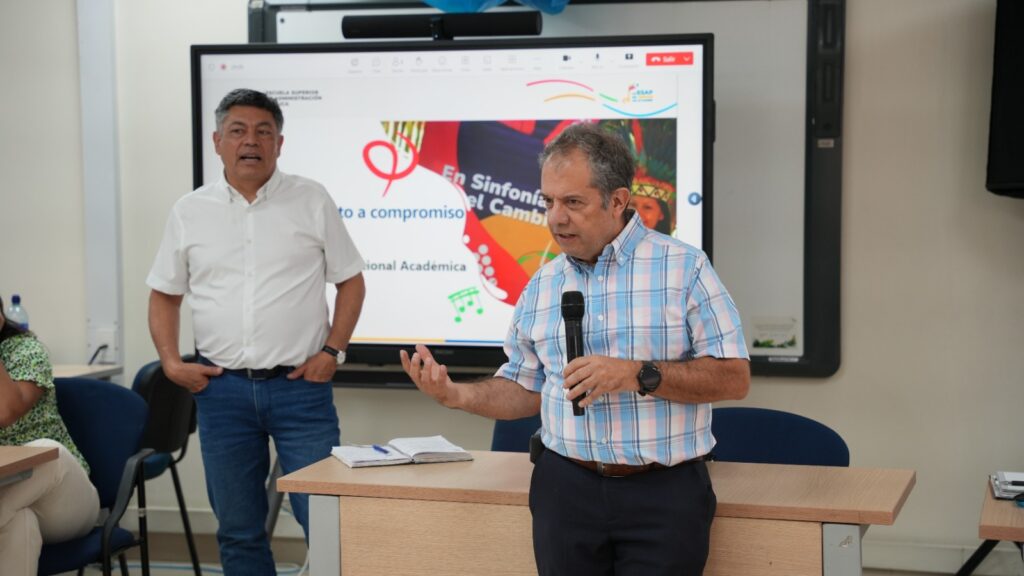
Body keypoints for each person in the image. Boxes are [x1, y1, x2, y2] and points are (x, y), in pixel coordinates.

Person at [401, 122, 750, 575]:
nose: (555, 218)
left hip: (663, 494)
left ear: (618, 201)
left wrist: (637, 374)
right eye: (548, 202)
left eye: (573, 202)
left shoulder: (684, 268)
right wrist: (456, 395)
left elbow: (734, 377)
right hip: (564, 489)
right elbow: (525, 387)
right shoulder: (543, 283)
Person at [147, 88, 366, 575]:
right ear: (217, 141)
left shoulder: (311, 199)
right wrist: (170, 362)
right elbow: (164, 294)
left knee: (324, 521)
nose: (251, 141)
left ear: (279, 143)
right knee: (238, 529)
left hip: (300, 392)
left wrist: (333, 350)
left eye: (263, 131)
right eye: (238, 131)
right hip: (221, 393)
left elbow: (351, 281)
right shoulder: (189, 211)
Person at [0, 296, 100, 576]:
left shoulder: (26, 351)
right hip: (10, 499)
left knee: (44, 452)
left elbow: (5, 413)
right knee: (21, 521)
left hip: (63, 499)